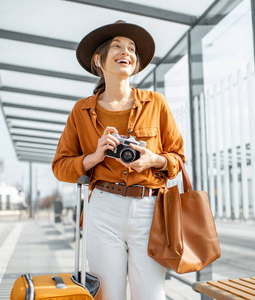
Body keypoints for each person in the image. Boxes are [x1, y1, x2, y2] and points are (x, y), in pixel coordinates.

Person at [52, 20, 185, 300]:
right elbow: (61, 167)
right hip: (103, 209)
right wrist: (93, 157)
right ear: (98, 60)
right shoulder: (81, 110)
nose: (126, 51)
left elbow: (178, 158)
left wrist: (154, 160)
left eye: (131, 48)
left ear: (135, 64)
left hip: (150, 210)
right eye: (117, 46)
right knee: (107, 295)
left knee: (151, 295)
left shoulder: (155, 103)